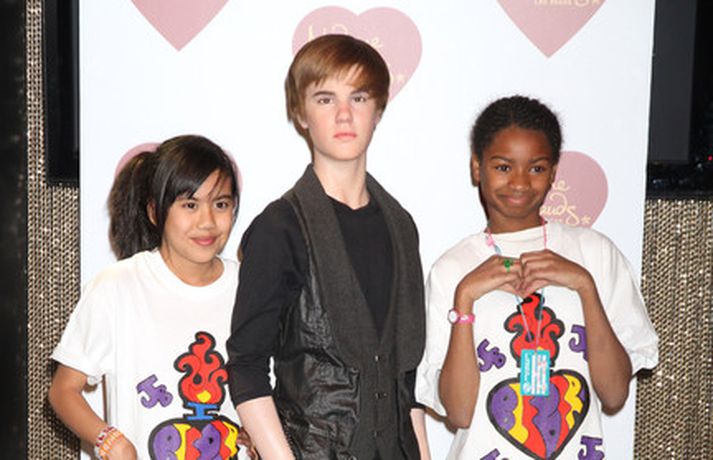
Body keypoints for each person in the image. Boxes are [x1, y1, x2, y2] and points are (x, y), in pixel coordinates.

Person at [415, 96, 659, 459]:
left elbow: (614, 394)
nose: (519, 183)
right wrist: (464, 298)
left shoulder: (594, 253)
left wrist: (585, 287)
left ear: (554, 172)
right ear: (477, 168)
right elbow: (459, 412)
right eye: (503, 167)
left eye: (536, 168)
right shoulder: (452, 269)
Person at [226, 34, 430, 459]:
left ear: (378, 110)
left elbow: (405, 381)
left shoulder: (401, 226)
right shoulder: (280, 228)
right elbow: (246, 366)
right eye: (325, 99)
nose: (343, 114)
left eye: (358, 98)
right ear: (301, 113)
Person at [48, 135, 255, 459]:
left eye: (221, 204)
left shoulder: (251, 288)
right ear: (155, 211)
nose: (207, 222)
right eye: (190, 205)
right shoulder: (116, 287)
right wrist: (110, 441)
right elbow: (63, 390)